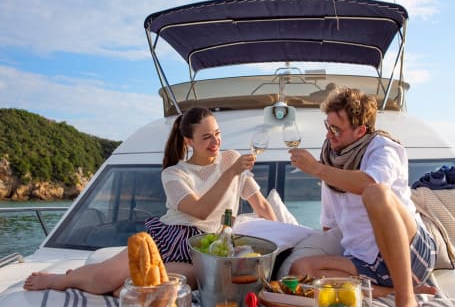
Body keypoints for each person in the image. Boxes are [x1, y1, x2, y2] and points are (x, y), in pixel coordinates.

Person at [24, 106, 277, 296]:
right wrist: (231, 173)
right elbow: (200, 210)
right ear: (189, 141)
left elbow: (262, 207)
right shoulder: (174, 173)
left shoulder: (230, 159)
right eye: (206, 137)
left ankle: (96, 281)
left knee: (156, 287)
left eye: (217, 134)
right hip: (169, 237)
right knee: (105, 278)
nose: (216, 142)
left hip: (203, 249)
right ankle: (61, 280)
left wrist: (279, 245)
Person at [287, 87, 437, 307]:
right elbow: (330, 224)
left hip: (409, 253)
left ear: (360, 131)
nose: (329, 135)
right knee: (301, 270)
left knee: (376, 192)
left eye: (336, 129)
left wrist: (317, 169)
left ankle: (406, 300)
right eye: (328, 126)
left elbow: (371, 183)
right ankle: (393, 289)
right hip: (366, 261)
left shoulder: (383, 148)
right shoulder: (331, 158)